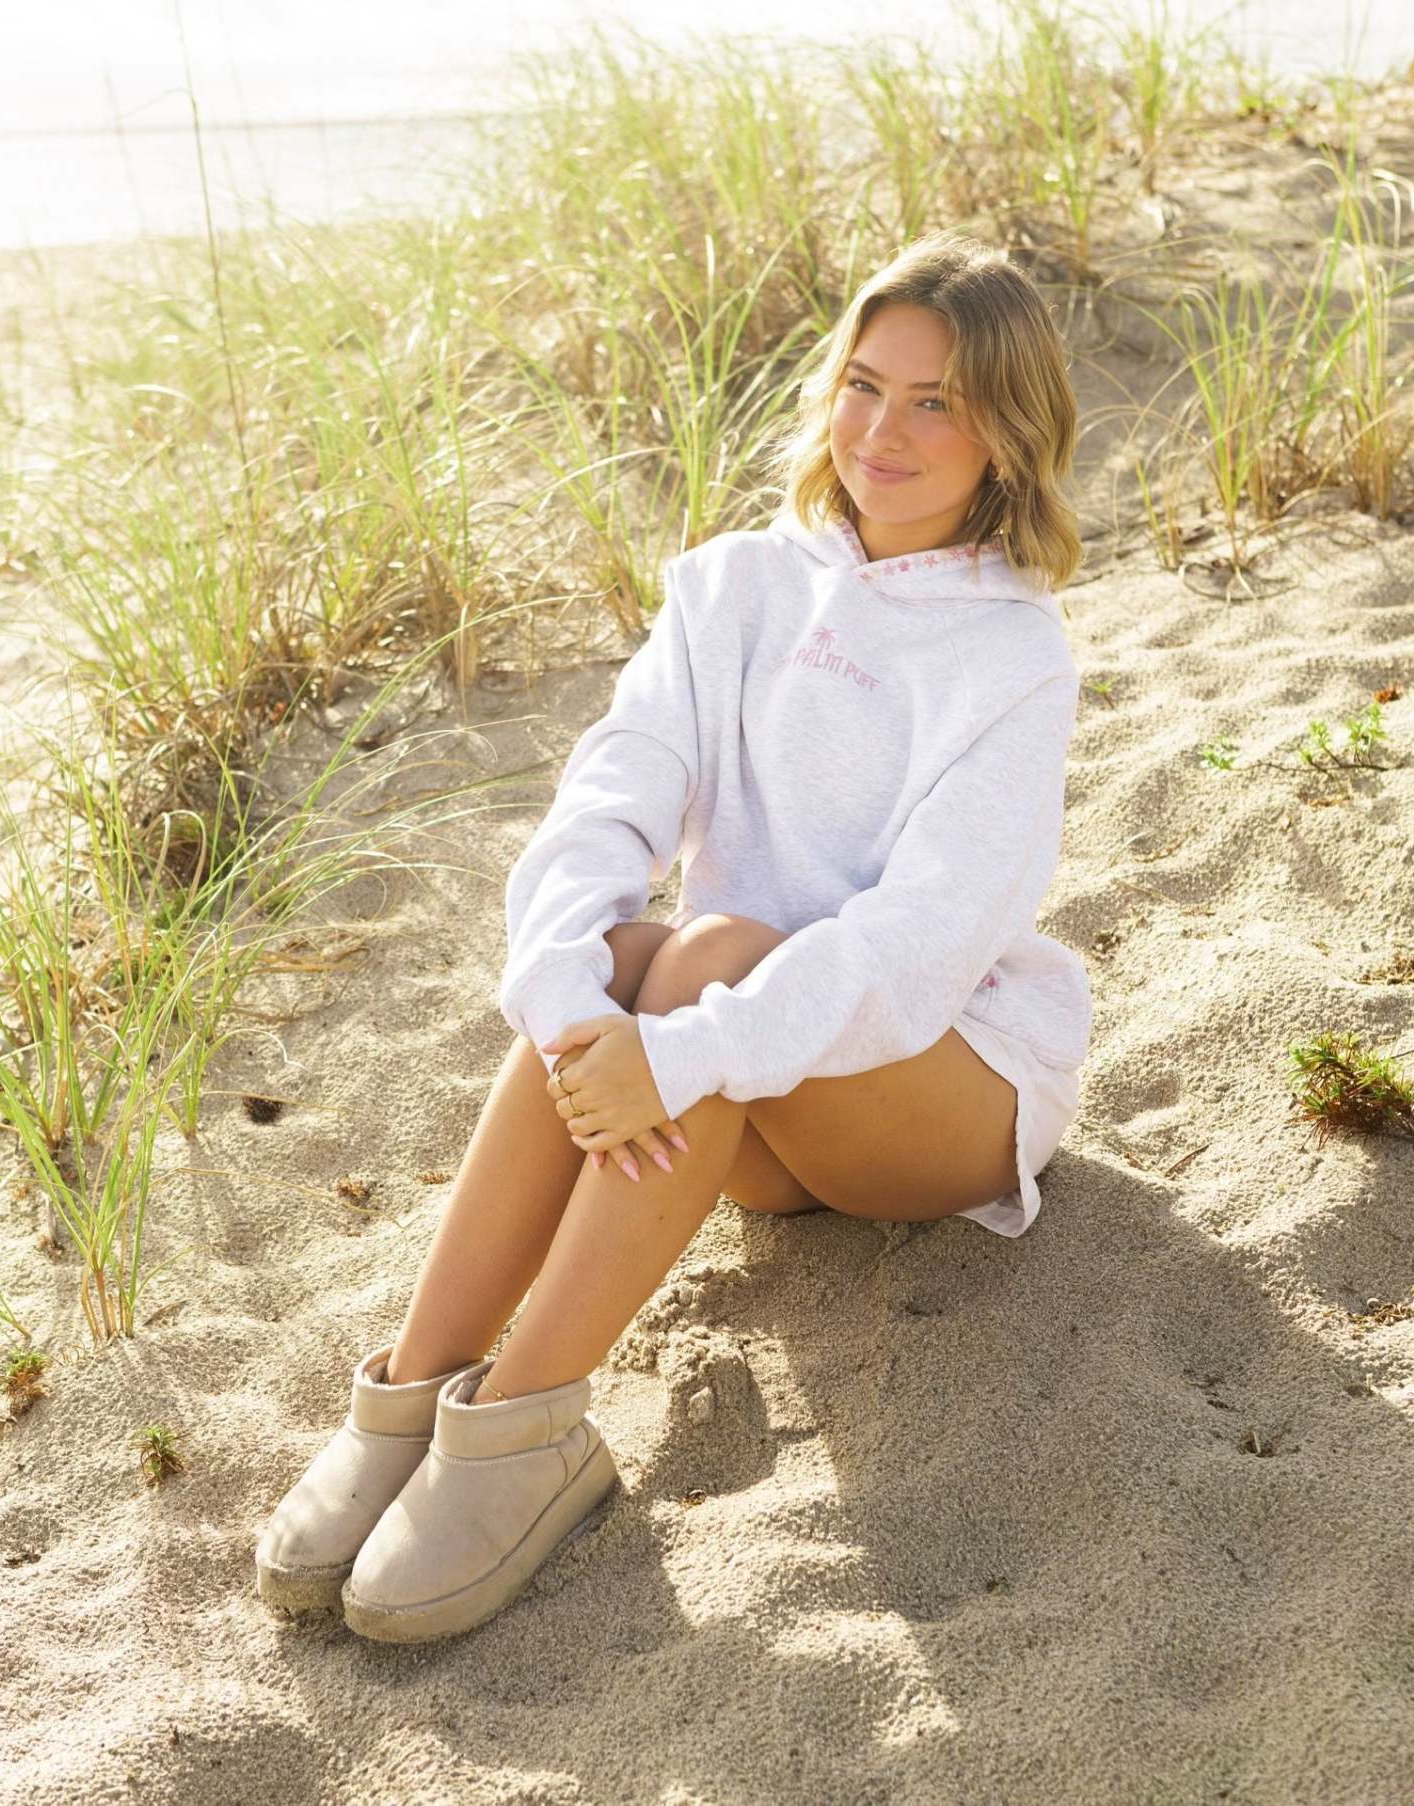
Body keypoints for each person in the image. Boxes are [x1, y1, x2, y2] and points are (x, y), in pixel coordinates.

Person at [255, 228, 1092, 1645]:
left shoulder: (1012, 656)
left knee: (696, 963)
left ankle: (524, 1423)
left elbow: (915, 946)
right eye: (864, 385)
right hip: (741, 1094)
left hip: (938, 1089)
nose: (882, 432)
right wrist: (562, 987)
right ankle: (414, 1386)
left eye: (936, 403)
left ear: (1006, 435)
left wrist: (687, 1046)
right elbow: (612, 792)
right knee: (624, 961)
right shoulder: (734, 585)